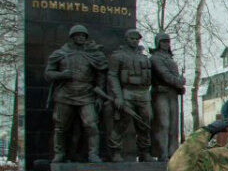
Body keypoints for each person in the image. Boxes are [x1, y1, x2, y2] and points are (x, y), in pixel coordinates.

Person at [45, 24, 107, 163]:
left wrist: (99, 95)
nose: (81, 37)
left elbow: (101, 75)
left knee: (91, 124)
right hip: (65, 94)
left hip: (86, 95)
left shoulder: (93, 54)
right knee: (61, 126)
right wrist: (61, 75)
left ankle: (93, 154)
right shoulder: (60, 54)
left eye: (83, 35)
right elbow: (48, 74)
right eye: (78, 35)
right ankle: (59, 153)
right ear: (72, 37)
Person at [106, 28, 154, 162]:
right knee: (122, 122)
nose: (134, 41)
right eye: (132, 38)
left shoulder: (144, 57)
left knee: (145, 122)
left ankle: (144, 152)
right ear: (126, 40)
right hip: (127, 91)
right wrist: (118, 96)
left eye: (137, 39)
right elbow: (112, 76)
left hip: (144, 93)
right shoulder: (118, 56)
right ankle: (115, 151)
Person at [149, 32, 186, 161]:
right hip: (161, 94)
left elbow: (173, 78)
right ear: (158, 43)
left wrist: (180, 87)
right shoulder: (155, 58)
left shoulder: (170, 59)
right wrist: (179, 82)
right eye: (163, 42)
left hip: (172, 94)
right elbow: (164, 75)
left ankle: (172, 152)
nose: (166, 44)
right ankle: (162, 152)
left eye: (167, 42)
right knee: (163, 124)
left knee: (173, 125)